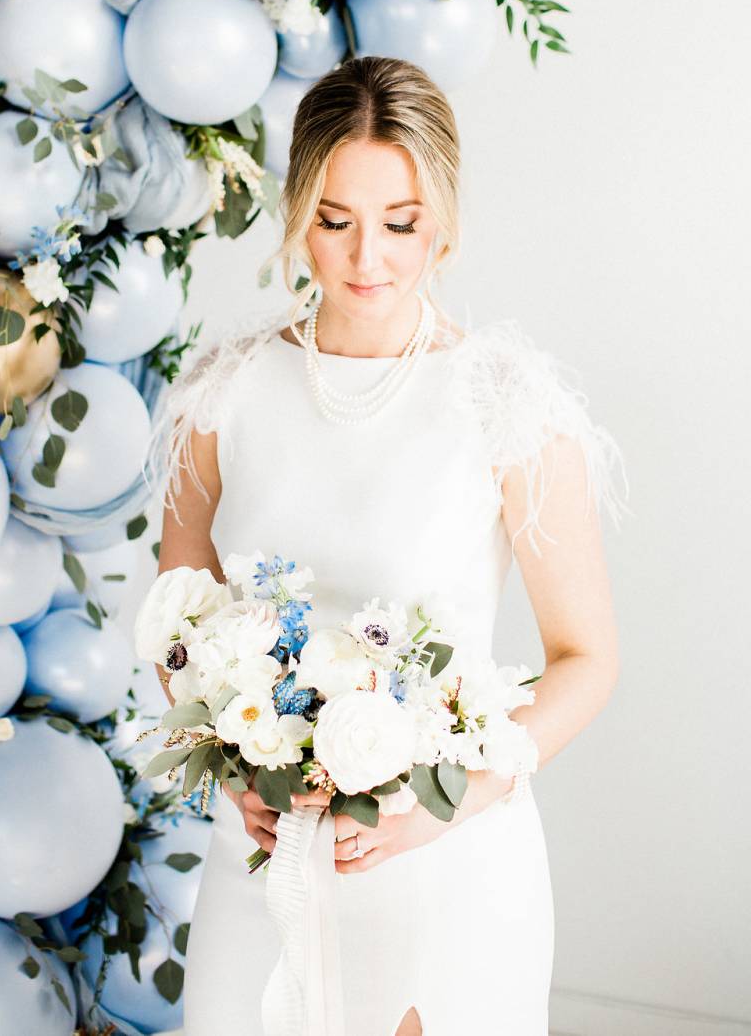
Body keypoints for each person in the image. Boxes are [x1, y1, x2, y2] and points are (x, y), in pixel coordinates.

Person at [143, 55, 629, 1036]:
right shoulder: (222, 396)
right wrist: (235, 771)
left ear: (441, 220)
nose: (367, 257)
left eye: (398, 222)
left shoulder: (506, 406)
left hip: (445, 863)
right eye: (334, 220)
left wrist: (449, 803)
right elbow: (174, 624)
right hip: (265, 857)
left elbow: (587, 658)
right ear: (296, 215)